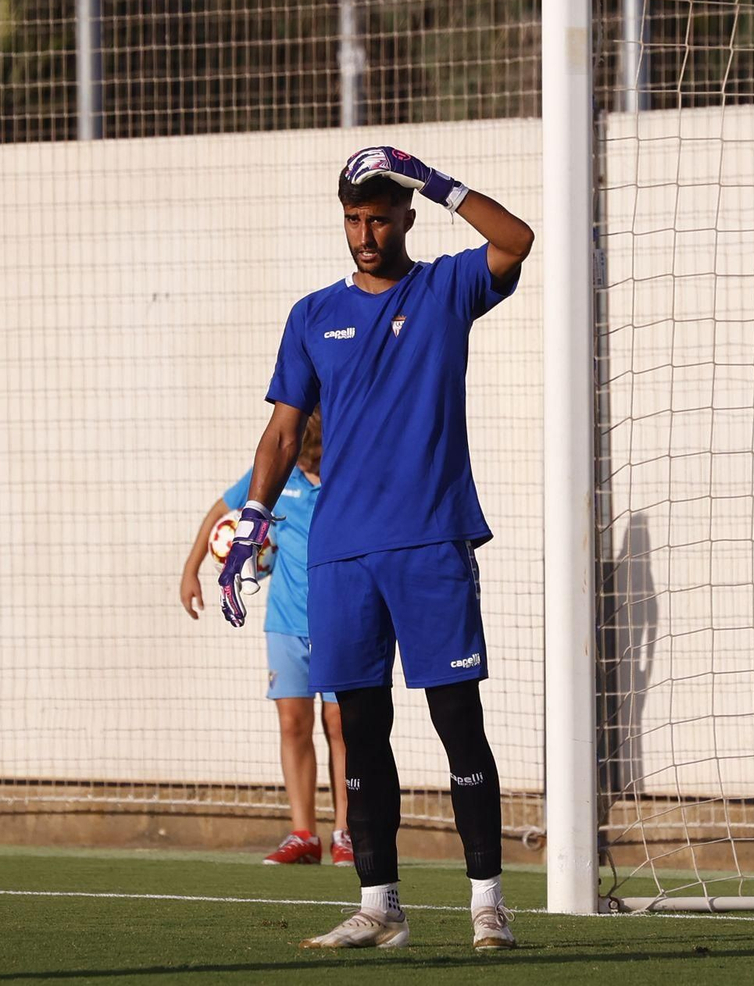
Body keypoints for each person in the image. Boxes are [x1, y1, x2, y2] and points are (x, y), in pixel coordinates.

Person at [216, 146, 534, 950]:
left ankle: (488, 900)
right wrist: (253, 515)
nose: (365, 234)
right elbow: (285, 427)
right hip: (339, 554)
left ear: (406, 219)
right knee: (360, 727)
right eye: (354, 220)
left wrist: (436, 178)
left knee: (458, 720)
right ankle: (379, 903)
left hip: (429, 540)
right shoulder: (311, 313)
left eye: (380, 218)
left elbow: (517, 239)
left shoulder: (444, 288)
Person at [180, 409, 351, 867]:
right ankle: (303, 834)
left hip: (341, 621)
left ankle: (347, 834)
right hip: (285, 623)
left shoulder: (347, 469)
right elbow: (222, 512)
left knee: (342, 727)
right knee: (294, 725)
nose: (309, 464)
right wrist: (191, 570)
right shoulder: (281, 472)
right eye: (306, 457)